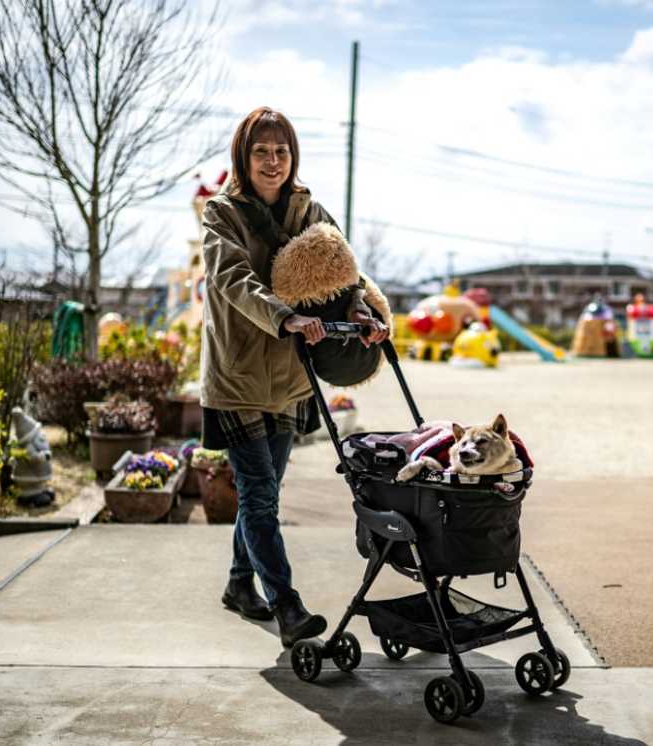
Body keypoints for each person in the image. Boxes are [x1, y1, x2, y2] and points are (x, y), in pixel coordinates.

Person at [199, 106, 389, 648]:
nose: (272, 161)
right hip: (237, 377)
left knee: (265, 495)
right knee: (259, 496)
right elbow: (232, 277)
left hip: (291, 377)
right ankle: (286, 605)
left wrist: (360, 310)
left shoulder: (311, 211)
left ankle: (240, 583)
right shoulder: (221, 214)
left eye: (281, 151)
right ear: (244, 156)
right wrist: (285, 316)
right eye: (261, 151)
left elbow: (344, 275)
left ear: (293, 156)